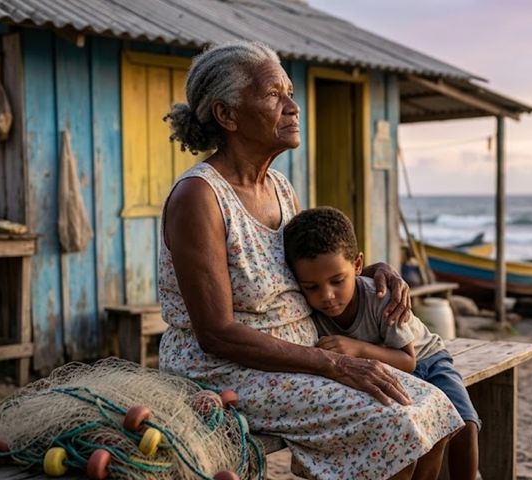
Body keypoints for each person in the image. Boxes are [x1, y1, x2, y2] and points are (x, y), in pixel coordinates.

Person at [159, 40, 463, 480]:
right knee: (395, 424)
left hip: (300, 357)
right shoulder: (199, 197)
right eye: (272, 95)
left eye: (290, 92)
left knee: (434, 408)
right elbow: (216, 333)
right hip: (228, 369)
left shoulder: (280, 187)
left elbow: (308, 263)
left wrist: (374, 269)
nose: (291, 107)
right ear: (227, 116)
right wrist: (335, 363)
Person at [283, 207, 481, 480]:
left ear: (356, 265)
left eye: (337, 281)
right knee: (417, 438)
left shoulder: (381, 297)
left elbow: (408, 361)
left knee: (463, 426)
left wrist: (357, 349)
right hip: (386, 373)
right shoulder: (307, 311)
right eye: (311, 287)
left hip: (425, 359)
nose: (327, 296)